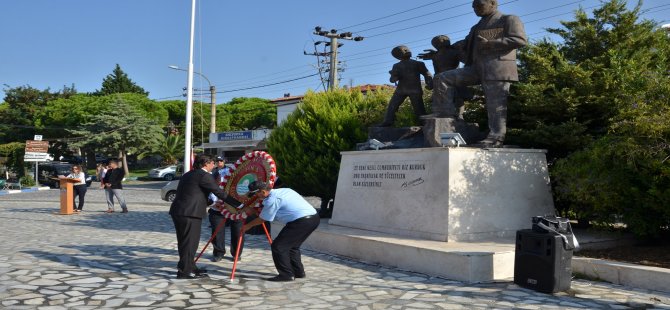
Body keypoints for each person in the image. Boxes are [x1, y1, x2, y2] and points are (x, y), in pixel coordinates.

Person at [430, 0, 527, 147]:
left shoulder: (508, 19)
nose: (475, 9)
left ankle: (496, 137)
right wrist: (439, 52)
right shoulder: (476, 27)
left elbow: (519, 40)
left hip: (496, 68)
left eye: (479, 5)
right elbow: (463, 45)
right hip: (475, 68)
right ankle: (445, 114)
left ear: (493, 3)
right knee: (443, 78)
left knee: (495, 105)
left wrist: (491, 43)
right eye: (473, 7)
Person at [242, 181, 319, 282]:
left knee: (279, 246)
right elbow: (270, 211)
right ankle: (298, 272)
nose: (256, 196)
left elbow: (263, 219)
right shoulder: (284, 190)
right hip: (314, 218)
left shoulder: (272, 200)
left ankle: (286, 275)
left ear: (264, 192)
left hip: (301, 221)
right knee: (292, 247)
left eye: (256, 194)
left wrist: (247, 226)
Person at [169, 154, 229, 279]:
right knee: (190, 243)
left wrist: (212, 203)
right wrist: (239, 204)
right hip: (190, 213)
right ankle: (184, 272)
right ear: (205, 163)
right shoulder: (204, 175)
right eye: (212, 163)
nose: (214, 165)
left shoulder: (188, 174)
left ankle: (190, 266)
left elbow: (194, 194)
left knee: (184, 242)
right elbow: (218, 192)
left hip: (180, 211)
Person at [418, 35, 472, 119]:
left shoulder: (454, 52)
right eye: (436, 42)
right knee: (440, 97)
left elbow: (467, 61)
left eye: (441, 40)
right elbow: (436, 70)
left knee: (458, 97)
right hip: (439, 78)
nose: (439, 43)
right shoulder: (435, 55)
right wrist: (432, 82)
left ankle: (460, 116)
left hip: (455, 76)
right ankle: (441, 114)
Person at [378, 45, 433, 127]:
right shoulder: (396, 66)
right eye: (403, 50)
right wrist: (394, 76)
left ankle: (425, 124)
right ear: (397, 56)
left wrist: (430, 83)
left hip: (414, 90)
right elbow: (392, 80)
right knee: (392, 106)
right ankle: (388, 122)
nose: (406, 51)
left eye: (406, 49)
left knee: (419, 109)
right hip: (401, 90)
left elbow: (427, 74)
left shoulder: (418, 64)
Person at [207, 158, 245, 262]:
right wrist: (213, 203)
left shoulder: (240, 177)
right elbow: (209, 191)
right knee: (217, 231)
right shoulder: (215, 174)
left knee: (238, 231)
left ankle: (236, 253)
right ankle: (218, 253)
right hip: (217, 208)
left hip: (235, 209)